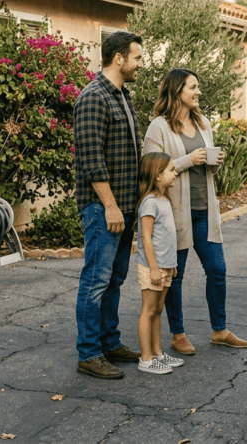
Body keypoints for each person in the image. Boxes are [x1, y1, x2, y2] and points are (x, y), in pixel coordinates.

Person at [143, 68, 247, 355]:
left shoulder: (202, 123)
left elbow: (207, 164)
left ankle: (219, 330)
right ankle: (177, 334)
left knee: (217, 269)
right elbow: (151, 169)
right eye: (193, 87)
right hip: (175, 212)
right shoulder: (159, 127)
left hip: (204, 209)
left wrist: (214, 162)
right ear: (177, 90)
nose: (198, 92)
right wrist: (187, 160)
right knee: (175, 275)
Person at [72, 30, 145, 379]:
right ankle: (89, 353)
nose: (140, 65)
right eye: (137, 58)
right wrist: (112, 207)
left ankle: (109, 342)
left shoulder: (122, 97)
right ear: (119, 58)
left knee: (114, 279)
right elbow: (91, 160)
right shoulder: (93, 97)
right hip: (104, 208)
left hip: (124, 206)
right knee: (96, 281)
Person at [134, 152, 186, 374]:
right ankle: (146, 359)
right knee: (148, 310)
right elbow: (146, 237)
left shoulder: (165, 199)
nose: (175, 173)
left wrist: (171, 264)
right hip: (151, 267)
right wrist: (154, 268)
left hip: (165, 266)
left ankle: (157, 353)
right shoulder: (149, 202)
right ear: (157, 175)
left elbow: (167, 236)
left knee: (158, 309)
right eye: (171, 170)